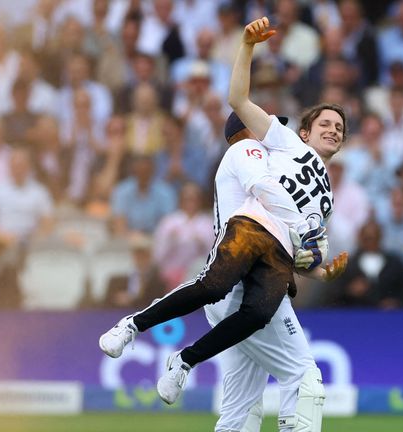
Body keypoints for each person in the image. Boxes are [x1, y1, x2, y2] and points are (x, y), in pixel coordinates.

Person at [99, 17, 347, 432]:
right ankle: (137, 330)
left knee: (240, 412)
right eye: (326, 124)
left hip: (265, 267)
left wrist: (320, 267)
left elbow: (301, 249)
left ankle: (180, 358)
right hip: (242, 263)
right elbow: (240, 104)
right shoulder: (258, 148)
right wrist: (247, 47)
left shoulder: (321, 191)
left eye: (340, 128)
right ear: (300, 133)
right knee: (305, 380)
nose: (335, 131)